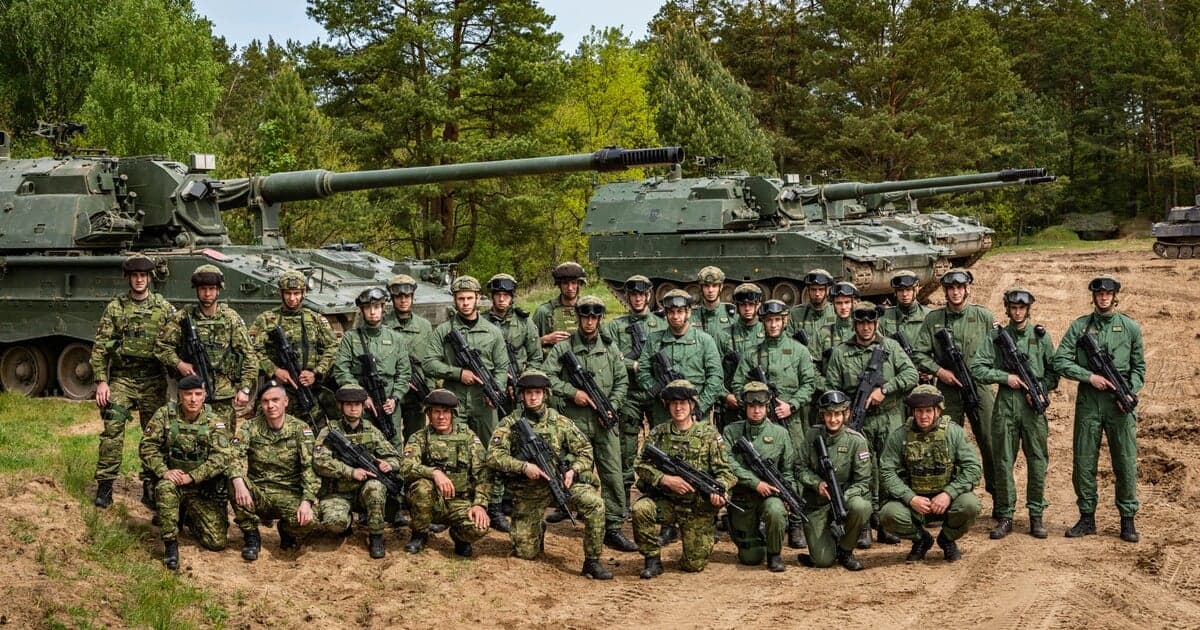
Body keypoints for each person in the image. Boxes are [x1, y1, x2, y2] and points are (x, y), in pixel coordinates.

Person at [485, 371, 612, 579]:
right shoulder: (510, 422)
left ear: (546, 394)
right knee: (525, 553)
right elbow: (493, 456)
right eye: (528, 393)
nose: (533, 397)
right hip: (528, 491)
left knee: (595, 504)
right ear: (521, 396)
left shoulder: (559, 421)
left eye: (537, 392)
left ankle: (592, 561)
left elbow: (585, 450)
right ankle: (536, 527)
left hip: (560, 485)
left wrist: (573, 470)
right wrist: (523, 466)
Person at [1053, 275, 1145, 542]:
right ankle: (1087, 518)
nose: (1103, 298)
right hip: (1090, 401)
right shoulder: (1080, 327)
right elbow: (1060, 361)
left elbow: (1139, 369)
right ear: (1093, 297)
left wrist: (1128, 391)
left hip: (1120, 404)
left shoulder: (1130, 327)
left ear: (1115, 296)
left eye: (1108, 294)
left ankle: (1127, 520)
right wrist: (1089, 376)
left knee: (1125, 462)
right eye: (1099, 294)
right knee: (1083, 462)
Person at [542, 296, 634, 551]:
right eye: (585, 316)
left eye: (594, 317)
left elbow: (621, 381)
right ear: (579, 317)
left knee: (612, 473)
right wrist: (574, 393)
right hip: (576, 421)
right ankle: (585, 517)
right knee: (577, 470)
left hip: (605, 421)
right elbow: (546, 376)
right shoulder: (564, 348)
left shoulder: (610, 348)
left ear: (600, 319)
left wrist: (611, 406)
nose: (590, 321)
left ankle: (613, 526)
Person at [824, 302, 917, 548]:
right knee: (862, 471)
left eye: (870, 323)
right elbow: (831, 387)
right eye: (861, 323)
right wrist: (844, 412)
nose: (866, 328)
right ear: (854, 324)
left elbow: (911, 375)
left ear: (877, 324)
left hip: (889, 416)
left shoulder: (890, 347)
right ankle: (864, 524)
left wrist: (884, 390)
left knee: (889, 468)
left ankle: (886, 523)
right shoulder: (841, 352)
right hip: (856, 419)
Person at [422, 276, 511, 531]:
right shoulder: (444, 331)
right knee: (451, 452)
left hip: (484, 402)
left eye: (469, 298)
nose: (465, 303)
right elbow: (429, 362)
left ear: (477, 300)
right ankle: (451, 507)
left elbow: (502, 366)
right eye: (460, 299)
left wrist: (495, 391)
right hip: (456, 400)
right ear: (455, 300)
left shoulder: (492, 332)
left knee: (491, 452)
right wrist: (456, 373)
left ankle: (492, 505)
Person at [728, 299, 818, 549]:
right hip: (761, 423)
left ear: (785, 320)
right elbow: (737, 385)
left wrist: (792, 404)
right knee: (760, 465)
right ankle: (761, 517)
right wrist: (755, 403)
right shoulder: (752, 353)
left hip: (792, 420)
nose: (773, 324)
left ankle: (796, 522)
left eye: (778, 320)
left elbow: (809, 384)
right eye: (769, 320)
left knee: (795, 467)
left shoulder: (798, 351)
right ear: (763, 322)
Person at [970, 287, 1059, 539]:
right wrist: (1004, 377)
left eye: (1021, 308)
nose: (1017, 312)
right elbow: (978, 367)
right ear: (1007, 309)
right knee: (1003, 461)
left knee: (1037, 461)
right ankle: (1006, 515)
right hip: (1006, 404)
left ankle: (1036, 516)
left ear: (1027, 309)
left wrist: (1040, 389)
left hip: (1032, 408)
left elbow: (1054, 370)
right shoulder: (996, 337)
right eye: (1013, 308)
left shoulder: (1041, 337)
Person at [91, 253, 176, 509]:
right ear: (128, 278)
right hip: (123, 380)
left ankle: (151, 485)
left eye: (143, 275)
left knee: (154, 436)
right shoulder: (116, 308)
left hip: (153, 380)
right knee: (112, 431)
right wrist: (101, 381)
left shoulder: (164, 308)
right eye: (135, 276)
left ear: (150, 278)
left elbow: (176, 341)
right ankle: (105, 485)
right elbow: (100, 348)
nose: (139, 280)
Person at [632, 379, 736, 579]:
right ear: (668, 406)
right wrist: (664, 479)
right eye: (673, 403)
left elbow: (726, 472)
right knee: (640, 509)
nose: (678, 408)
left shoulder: (709, 435)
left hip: (696, 507)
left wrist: (720, 489)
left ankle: (697, 539)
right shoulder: (659, 434)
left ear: (692, 405)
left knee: (693, 565)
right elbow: (640, 465)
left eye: (683, 403)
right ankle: (652, 560)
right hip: (667, 502)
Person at [913, 268, 998, 508]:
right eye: (950, 288)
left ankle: (999, 497)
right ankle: (946, 497)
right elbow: (919, 353)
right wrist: (940, 372)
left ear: (967, 288)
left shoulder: (984, 317)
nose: (955, 292)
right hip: (948, 390)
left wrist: (988, 372)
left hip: (979, 386)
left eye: (960, 287)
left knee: (990, 440)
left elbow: (999, 351)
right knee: (945, 442)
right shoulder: (933, 318)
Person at [878, 385, 982, 563]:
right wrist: (910, 497)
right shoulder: (900, 435)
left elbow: (973, 468)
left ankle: (947, 539)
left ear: (938, 411)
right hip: (915, 503)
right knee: (888, 514)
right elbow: (886, 471)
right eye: (919, 411)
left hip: (946, 500)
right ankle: (921, 539)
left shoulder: (953, 433)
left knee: (970, 505)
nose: (923, 416)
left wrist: (949, 494)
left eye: (928, 411)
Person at [139, 374, 233, 571]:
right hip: (173, 481)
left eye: (198, 394)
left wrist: (193, 476)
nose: (193, 399)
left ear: (205, 395)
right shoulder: (165, 414)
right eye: (188, 394)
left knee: (216, 542)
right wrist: (163, 471)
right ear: (179, 395)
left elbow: (222, 457)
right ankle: (171, 545)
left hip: (200, 487)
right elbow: (147, 447)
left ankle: (186, 514)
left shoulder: (215, 422)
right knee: (165, 488)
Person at [155, 264, 258, 430]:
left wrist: (245, 389)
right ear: (196, 290)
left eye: (212, 288)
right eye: (203, 289)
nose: (207, 293)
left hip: (223, 395)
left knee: (224, 443)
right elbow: (161, 346)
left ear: (219, 290)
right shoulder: (184, 317)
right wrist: (179, 364)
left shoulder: (231, 319)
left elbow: (249, 356)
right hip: (192, 394)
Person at [229, 382, 320, 561]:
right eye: (265, 401)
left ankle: (286, 529)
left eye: (275, 400)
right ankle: (251, 535)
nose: (270, 406)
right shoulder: (250, 427)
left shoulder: (301, 429)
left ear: (285, 401)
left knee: (311, 521)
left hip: (288, 493)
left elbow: (310, 467)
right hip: (258, 494)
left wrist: (307, 501)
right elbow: (233, 456)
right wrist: (239, 483)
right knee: (233, 479)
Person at [313, 384, 402, 559]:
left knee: (376, 486)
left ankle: (376, 536)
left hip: (364, 492)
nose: (354, 408)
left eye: (357, 404)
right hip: (338, 492)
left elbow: (395, 456)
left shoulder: (371, 430)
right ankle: (346, 524)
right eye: (349, 404)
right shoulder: (330, 431)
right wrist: (350, 472)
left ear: (363, 406)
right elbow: (319, 461)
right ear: (341, 406)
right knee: (334, 523)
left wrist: (389, 464)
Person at [399, 389, 492, 557]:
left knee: (480, 527)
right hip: (432, 502)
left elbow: (483, 474)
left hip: (461, 502)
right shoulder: (420, 437)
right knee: (421, 487)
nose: (441, 417)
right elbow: (405, 466)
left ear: (453, 414)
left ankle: (460, 537)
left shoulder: (468, 437)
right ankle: (420, 533)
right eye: (436, 412)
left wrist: (480, 504)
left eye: (445, 412)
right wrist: (434, 472)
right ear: (429, 414)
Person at [603, 275, 665, 515]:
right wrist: (634, 366)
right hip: (629, 393)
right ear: (627, 297)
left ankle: (656, 497)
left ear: (648, 295)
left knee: (660, 444)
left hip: (656, 392)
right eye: (633, 295)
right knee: (625, 447)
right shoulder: (615, 326)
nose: (638, 299)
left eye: (642, 294)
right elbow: (612, 356)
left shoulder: (660, 324)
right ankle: (623, 500)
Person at [722, 381, 797, 572]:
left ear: (767, 407)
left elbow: (788, 470)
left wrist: (790, 494)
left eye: (761, 406)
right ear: (745, 407)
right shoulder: (731, 431)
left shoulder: (780, 434)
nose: (757, 411)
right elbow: (727, 462)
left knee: (776, 510)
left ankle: (774, 554)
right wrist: (755, 483)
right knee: (750, 558)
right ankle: (757, 538)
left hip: (770, 496)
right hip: (743, 497)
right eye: (752, 406)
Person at [247, 270, 337, 425]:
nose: (292, 298)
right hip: (277, 390)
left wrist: (316, 372)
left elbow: (333, 347)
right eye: (288, 293)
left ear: (303, 293)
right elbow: (251, 348)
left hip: (309, 389)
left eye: (296, 293)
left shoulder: (315, 319)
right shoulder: (267, 319)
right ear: (281, 294)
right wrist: (274, 370)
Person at [795, 390, 871, 570]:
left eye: (838, 414)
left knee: (861, 507)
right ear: (822, 416)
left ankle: (845, 550)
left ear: (846, 414)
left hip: (844, 498)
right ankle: (827, 543)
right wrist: (817, 483)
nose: (833, 419)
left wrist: (844, 496)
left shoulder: (856, 441)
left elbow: (863, 481)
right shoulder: (812, 435)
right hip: (817, 503)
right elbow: (799, 467)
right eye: (828, 414)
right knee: (823, 561)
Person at [332, 287, 411, 446]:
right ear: (362, 311)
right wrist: (361, 396)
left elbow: (404, 374)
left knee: (393, 444)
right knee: (361, 445)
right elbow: (341, 370)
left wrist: (395, 398)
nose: (372, 312)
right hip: (360, 404)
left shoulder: (396, 339)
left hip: (388, 404)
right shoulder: (351, 337)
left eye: (376, 307)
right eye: (367, 308)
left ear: (383, 309)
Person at [636, 290, 723, 427]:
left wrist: (700, 406)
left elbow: (715, 377)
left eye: (680, 311)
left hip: (696, 416)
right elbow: (643, 372)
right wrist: (659, 392)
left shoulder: (705, 341)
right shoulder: (654, 340)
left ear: (688, 312)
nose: (675, 316)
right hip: (663, 414)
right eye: (671, 312)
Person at [383, 274, 434, 440]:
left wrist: (430, 389)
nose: (403, 300)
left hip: (417, 393)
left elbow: (430, 359)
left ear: (412, 297)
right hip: (390, 392)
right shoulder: (382, 324)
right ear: (392, 298)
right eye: (398, 296)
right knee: (391, 438)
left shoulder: (424, 326)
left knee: (416, 437)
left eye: (407, 296)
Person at [483, 273, 543, 408]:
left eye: (506, 295)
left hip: (520, 384)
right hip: (490, 383)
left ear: (512, 297)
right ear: (492, 296)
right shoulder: (482, 322)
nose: (501, 299)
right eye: (498, 295)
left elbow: (536, 358)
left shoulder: (524, 322)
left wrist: (525, 382)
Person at [716, 283, 766, 430]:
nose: (747, 308)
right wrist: (725, 396)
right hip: (733, 404)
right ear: (736, 306)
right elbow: (714, 371)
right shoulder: (724, 335)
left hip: (761, 404)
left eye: (751, 304)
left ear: (758, 305)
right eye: (743, 305)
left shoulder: (768, 332)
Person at [879, 270, 932, 386]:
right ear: (895, 292)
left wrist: (933, 371)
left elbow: (939, 351)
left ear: (916, 289)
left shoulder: (930, 316)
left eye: (908, 290)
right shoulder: (884, 317)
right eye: (900, 291)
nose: (904, 294)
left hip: (923, 380)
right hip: (894, 379)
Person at [533, 262, 587, 348]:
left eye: (573, 283)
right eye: (565, 283)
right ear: (559, 285)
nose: (570, 288)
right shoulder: (544, 312)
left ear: (579, 284)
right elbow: (528, 344)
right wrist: (546, 339)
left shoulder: (588, 309)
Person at [786, 269, 836, 341]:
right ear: (808, 290)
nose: (817, 294)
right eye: (813, 290)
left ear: (827, 290)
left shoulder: (835, 313)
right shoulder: (796, 314)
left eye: (821, 289)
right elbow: (788, 341)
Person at [690, 265, 735, 337]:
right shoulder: (691, 315)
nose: (710, 290)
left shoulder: (732, 315)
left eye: (714, 285)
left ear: (721, 287)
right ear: (701, 288)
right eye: (706, 286)